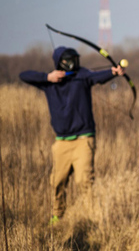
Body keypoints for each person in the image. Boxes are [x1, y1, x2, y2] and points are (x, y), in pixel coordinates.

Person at [19, 46, 125, 224]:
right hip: (61, 142)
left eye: (75, 60)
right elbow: (24, 75)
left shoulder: (82, 76)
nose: (73, 64)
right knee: (57, 182)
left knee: (84, 181)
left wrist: (114, 72)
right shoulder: (49, 82)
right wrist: (48, 77)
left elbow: (97, 77)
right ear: (59, 62)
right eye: (68, 60)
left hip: (84, 139)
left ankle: (91, 220)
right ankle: (57, 217)